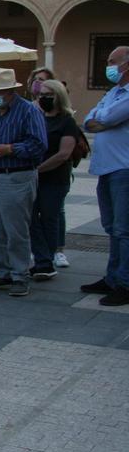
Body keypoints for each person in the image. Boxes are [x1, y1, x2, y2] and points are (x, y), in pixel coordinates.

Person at [0, 68, 47, 297]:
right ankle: (1, 272)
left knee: (16, 229)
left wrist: (10, 149)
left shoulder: (28, 111)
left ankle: (19, 274)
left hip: (16, 175)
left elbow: (38, 146)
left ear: (9, 92)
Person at [82, 45, 129, 306]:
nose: (108, 65)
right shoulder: (113, 92)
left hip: (124, 168)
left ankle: (125, 282)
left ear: (127, 65)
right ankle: (113, 277)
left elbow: (109, 117)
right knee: (112, 228)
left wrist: (101, 119)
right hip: (106, 168)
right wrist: (100, 119)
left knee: (124, 230)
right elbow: (90, 119)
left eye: (112, 61)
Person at [29, 79, 80, 280]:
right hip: (33, 177)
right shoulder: (36, 116)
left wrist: (38, 169)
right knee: (31, 218)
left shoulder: (67, 121)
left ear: (58, 96)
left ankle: (46, 260)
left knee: (50, 218)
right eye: (40, 94)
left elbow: (64, 154)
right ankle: (42, 259)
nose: (43, 98)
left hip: (55, 178)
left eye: (48, 95)